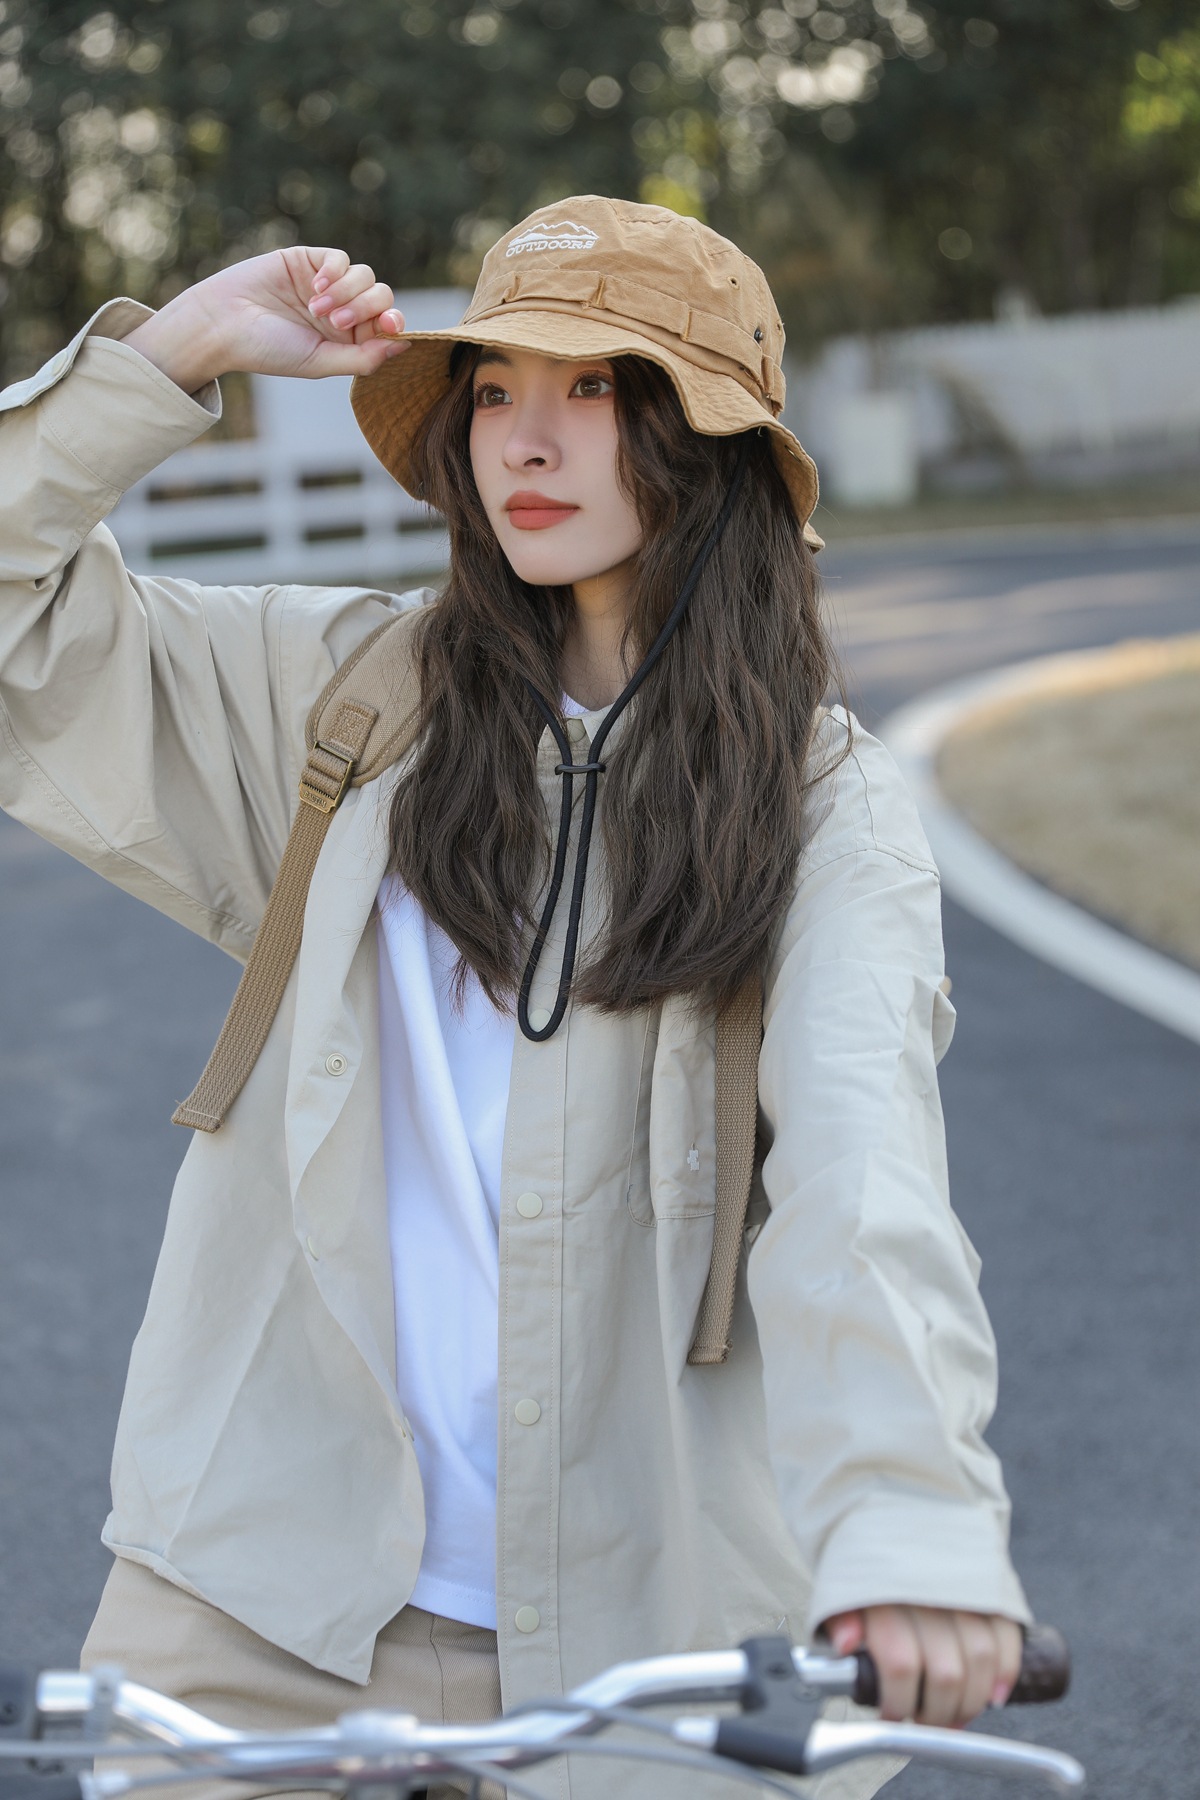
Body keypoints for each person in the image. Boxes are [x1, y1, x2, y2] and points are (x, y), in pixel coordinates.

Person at [0, 196, 1031, 1800]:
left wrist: (911, 1536)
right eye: (493, 391)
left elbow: (863, 1177)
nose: (526, 442)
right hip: (260, 1597)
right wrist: (183, 345)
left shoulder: (824, 808)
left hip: (658, 1623)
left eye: (594, 388)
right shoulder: (348, 706)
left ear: (707, 440)